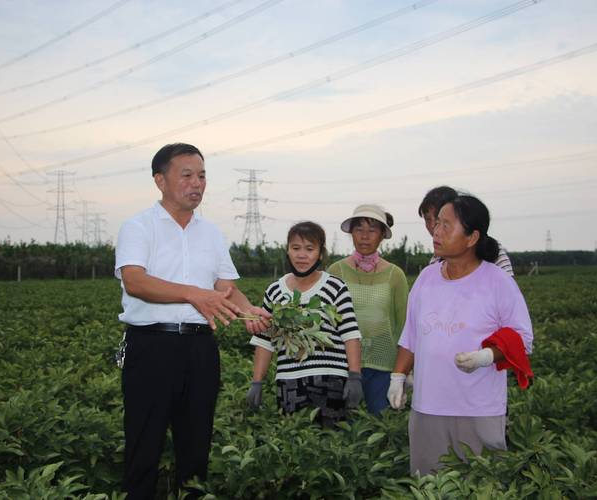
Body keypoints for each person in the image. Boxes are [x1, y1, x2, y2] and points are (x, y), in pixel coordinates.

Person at [114, 143, 271, 499]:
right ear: (160, 180)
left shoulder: (211, 233)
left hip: (199, 348)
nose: (196, 183)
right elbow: (135, 282)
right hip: (151, 346)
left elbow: (224, 289)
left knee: (196, 445)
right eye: (186, 175)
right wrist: (192, 293)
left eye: (201, 176)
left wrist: (250, 311)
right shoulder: (138, 227)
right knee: (144, 446)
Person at [388, 194, 533, 476]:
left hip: (477, 408)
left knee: (480, 483)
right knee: (428, 484)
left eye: (446, 225)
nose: (436, 232)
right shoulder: (427, 278)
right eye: (436, 224)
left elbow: (522, 337)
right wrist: (397, 376)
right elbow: (411, 335)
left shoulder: (496, 281)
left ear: (471, 237)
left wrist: (485, 356)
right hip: (427, 406)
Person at [246, 221, 363, 426]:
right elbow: (264, 341)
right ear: (288, 251)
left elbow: (350, 333)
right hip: (289, 381)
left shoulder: (335, 287)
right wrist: (257, 381)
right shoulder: (275, 291)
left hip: (330, 379)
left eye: (309, 249)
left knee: (331, 444)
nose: (302, 255)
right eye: (296, 248)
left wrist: (354, 376)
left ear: (320, 253)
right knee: (294, 443)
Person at [327, 204, 409, 415]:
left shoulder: (395, 274)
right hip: (342, 362)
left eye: (372, 230)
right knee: (342, 426)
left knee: (381, 424)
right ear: (351, 233)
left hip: (383, 364)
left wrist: (403, 371)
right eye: (359, 230)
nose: (365, 236)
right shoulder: (336, 271)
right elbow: (326, 319)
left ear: (382, 235)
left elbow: (404, 325)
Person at [418, 186, 514, 276]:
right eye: (428, 220)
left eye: (445, 223)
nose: (433, 227)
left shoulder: (494, 253)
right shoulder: (435, 263)